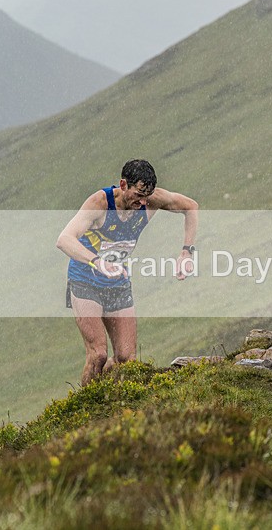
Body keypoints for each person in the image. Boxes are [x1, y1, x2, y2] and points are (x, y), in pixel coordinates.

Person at [56, 159, 198, 386]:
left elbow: (191, 207)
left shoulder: (151, 200)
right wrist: (97, 262)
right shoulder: (100, 203)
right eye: (138, 195)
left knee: (126, 359)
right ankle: (85, 409)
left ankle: (105, 398)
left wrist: (186, 252)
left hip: (118, 282)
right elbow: (64, 240)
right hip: (85, 280)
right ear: (123, 185)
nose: (143, 202)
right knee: (98, 355)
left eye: (147, 196)